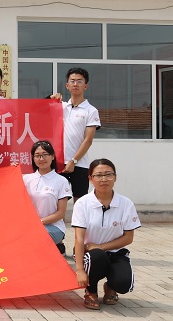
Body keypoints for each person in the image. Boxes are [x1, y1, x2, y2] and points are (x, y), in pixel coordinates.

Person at [72, 158, 140, 310]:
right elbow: (79, 238)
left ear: (115, 177)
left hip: (115, 253)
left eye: (108, 174)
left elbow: (128, 238)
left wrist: (101, 246)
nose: (104, 179)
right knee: (97, 256)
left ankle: (110, 286)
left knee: (124, 284)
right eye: (98, 175)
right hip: (89, 254)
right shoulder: (82, 203)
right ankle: (91, 291)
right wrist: (79, 270)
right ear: (91, 178)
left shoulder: (126, 204)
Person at [52, 67, 101, 202]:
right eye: (72, 81)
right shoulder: (60, 107)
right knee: (56, 201)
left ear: (86, 86)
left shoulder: (91, 111)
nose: (75, 84)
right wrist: (51, 98)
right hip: (59, 163)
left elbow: (88, 140)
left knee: (80, 202)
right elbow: (38, 110)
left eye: (79, 81)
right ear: (67, 85)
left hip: (79, 164)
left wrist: (73, 161)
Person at [22, 140, 71, 256]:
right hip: (30, 226)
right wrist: (11, 171)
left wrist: (38, 223)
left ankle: (56, 248)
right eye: (37, 155)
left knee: (34, 237)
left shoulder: (61, 181)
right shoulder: (25, 179)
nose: (41, 159)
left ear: (52, 156)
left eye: (45, 154)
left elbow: (61, 213)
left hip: (53, 227)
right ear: (33, 158)